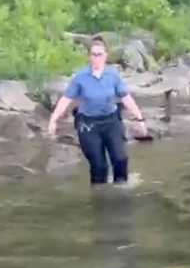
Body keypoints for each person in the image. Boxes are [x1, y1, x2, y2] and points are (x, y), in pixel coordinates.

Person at [48, 35, 147, 185]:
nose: (96, 58)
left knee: (120, 159)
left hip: (111, 121)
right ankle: (99, 196)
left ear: (106, 56)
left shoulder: (113, 75)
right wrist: (53, 120)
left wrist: (139, 119)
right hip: (88, 125)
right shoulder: (81, 77)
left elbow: (126, 97)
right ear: (89, 56)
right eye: (93, 55)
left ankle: (121, 192)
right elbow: (66, 99)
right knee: (99, 166)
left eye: (100, 55)